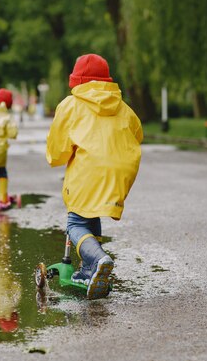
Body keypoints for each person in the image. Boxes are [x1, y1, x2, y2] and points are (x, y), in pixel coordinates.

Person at [46, 53, 143, 299]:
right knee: (92, 212)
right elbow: (137, 133)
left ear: (77, 81)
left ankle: (98, 259)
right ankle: (89, 270)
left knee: (75, 222)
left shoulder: (71, 105)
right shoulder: (123, 107)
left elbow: (57, 150)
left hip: (89, 171)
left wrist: (59, 156)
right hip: (120, 171)